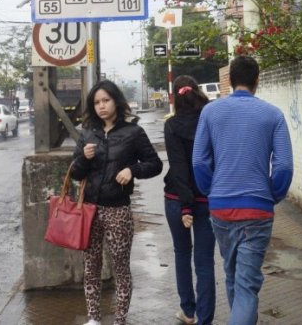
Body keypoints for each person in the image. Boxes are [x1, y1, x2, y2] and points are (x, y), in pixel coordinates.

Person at [192, 55, 293, 325]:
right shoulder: (273, 114)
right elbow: (283, 166)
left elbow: (199, 161)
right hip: (257, 210)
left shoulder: (210, 112)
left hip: (220, 208)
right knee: (246, 285)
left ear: (230, 79)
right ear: (257, 80)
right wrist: (273, 195)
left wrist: (211, 190)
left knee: (232, 274)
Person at [70, 79, 163, 325]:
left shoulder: (133, 132)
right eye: (96, 102)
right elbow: (75, 173)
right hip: (90, 209)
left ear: (116, 101)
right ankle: (93, 318)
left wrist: (132, 170)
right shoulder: (87, 132)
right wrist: (84, 158)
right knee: (91, 266)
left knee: (121, 266)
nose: (101, 106)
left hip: (118, 209)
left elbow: (155, 164)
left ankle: (120, 319)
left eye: (106, 100)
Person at [164, 75, 215, 325]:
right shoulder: (210, 120)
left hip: (176, 199)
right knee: (205, 261)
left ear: (174, 97)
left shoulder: (172, 125)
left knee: (182, 253)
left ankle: (188, 311)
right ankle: (205, 319)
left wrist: (185, 206)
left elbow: (179, 166)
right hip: (207, 198)